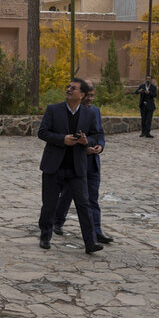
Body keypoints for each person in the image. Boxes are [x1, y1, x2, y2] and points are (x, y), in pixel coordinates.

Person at [36, 78, 102, 255]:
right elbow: (42, 132)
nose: (69, 89)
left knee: (84, 205)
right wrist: (62, 139)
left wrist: (87, 141)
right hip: (54, 165)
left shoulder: (89, 114)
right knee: (49, 204)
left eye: (73, 88)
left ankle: (90, 243)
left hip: (77, 167)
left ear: (82, 95)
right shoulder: (53, 109)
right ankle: (45, 236)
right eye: (68, 87)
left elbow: (96, 135)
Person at [52, 85, 112, 244]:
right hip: (75, 161)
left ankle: (96, 231)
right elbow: (67, 136)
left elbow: (99, 133)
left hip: (93, 163)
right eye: (88, 96)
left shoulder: (95, 111)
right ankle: (57, 221)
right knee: (67, 193)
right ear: (80, 95)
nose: (90, 99)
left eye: (93, 96)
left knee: (93, 197)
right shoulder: (70, 112)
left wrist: (100, 146)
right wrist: (84, 149)